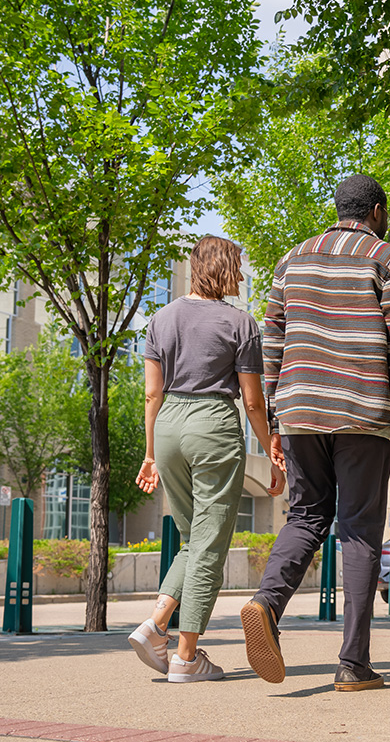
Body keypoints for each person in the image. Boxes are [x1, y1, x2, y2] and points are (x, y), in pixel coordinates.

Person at [240, 174, 390, 692]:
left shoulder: (289, 261)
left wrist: (275, 420)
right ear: (378, 211)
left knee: (307, 514)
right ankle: (352, 665)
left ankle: (266, 603)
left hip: (299, 410)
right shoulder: (388, 259)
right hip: (362, 413)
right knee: (360, 530)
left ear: (338, 208)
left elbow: (269, 349)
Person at [128, 236, 283, 683]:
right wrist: (272, 448)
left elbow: (152, 392)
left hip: (169, 426)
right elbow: (253, 402)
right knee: (210, 546)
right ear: (222, 269)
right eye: (235, 266)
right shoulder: (240, 322)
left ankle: (155, 624)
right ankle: (185, 656)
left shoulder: (160, 318)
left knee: (193, 539)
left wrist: (151, 453)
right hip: (214, 424)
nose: (238, 275)